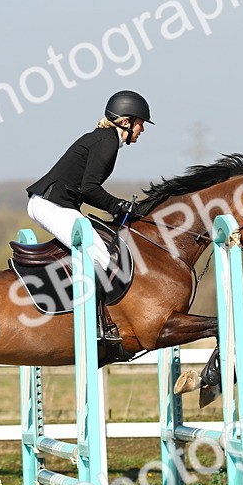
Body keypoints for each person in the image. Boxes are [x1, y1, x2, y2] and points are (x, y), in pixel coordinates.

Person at [25, 90, 152, 341]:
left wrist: (117, 206)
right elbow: (89, 188)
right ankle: (94, 324)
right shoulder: (107, 141)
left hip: (56, 204)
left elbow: (85, 189)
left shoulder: (105, 138)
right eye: (140, 124)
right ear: (125, 122)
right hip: (51, 205)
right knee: (102, 256)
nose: (142, 130)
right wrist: (119, 205)